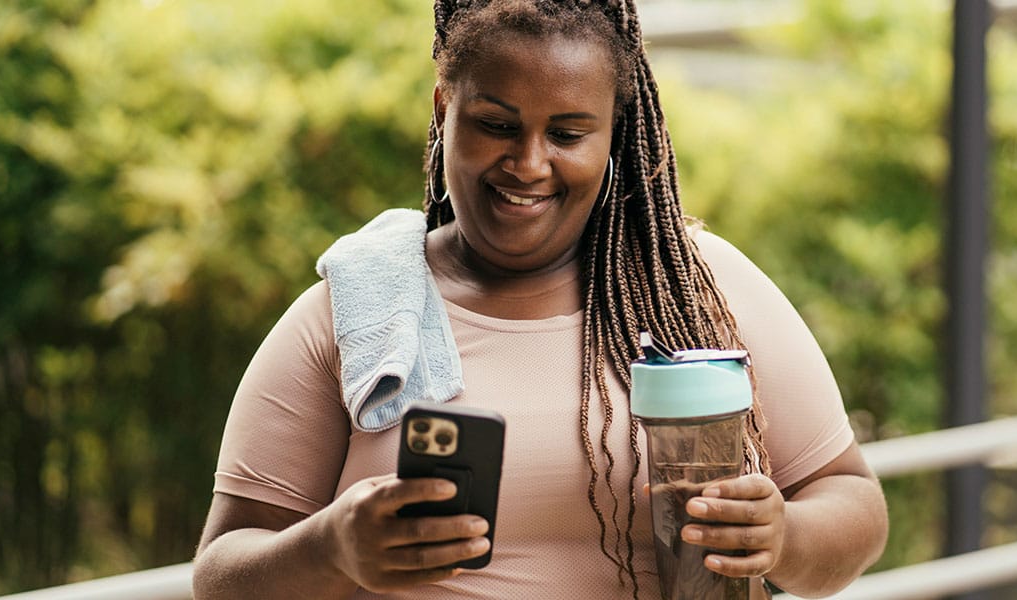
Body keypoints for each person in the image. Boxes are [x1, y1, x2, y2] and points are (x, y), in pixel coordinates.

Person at [192, 1, 887, 598]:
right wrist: (330, 548)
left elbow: (853, 503)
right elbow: (220, 575)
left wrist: (784, 537)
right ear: (444, 108)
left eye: (567, 134)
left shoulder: (700, 288)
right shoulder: (352, 314)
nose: (528, 164)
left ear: (614, 130)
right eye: (496, 125)